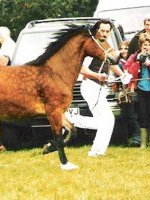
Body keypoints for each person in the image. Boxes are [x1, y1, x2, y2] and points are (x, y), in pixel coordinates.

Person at [43, 19, 132, 156]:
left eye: (107, 31)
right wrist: (97, 76)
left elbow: (112, 63)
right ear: (96, 30)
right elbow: (80, 67)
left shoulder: (106, 45)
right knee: (108, 120)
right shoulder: (90, 45)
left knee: (103, 121)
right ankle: (93, 147)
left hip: (100, 88)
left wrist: (123, 74)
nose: (105, 34)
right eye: (102, 31)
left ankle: (92, 145)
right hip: (91, 87)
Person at [124, 33, 150, 148]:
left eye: (149, 45)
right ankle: (143, 144)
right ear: (140, 45)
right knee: (142, 115)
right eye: (145, 44)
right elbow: (127, 69)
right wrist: (137, 62)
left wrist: (148, 63)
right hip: (141, 90)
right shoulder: (135, 56)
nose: (147, 47)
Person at [117, 41, 141, 147]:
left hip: (131, 92)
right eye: (121, 48)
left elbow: (134, 76)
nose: (123, 50)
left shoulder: (133, 62)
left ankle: (137, 138)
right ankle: (124, 140)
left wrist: (131, 88)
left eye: (125, 48)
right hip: (121, 93)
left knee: (132, 116)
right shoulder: (117, 63)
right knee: (123, 117)